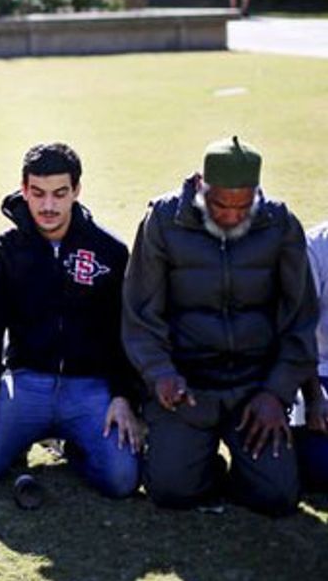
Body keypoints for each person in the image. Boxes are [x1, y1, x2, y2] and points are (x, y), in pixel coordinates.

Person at [124, 136, 318, 517]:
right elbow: (141, 313)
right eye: (220, 205)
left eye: (243, 207)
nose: (231, 217)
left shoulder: (280, 224)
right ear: (201, 184)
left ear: (257, 193)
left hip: (253, 388)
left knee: (277, 498)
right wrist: (160, 374)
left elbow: (300, 321)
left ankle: (250, 470)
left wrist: (276, 393)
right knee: (171, 491)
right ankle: (199, 463)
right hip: (187, 387)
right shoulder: (162, 221)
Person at [0, 143, 141, 498]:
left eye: (60, 193)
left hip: (89, 387)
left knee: (122, 480)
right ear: (24, 190)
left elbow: (123, 331)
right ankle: (16, 439)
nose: (48, 206)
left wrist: (123, 395)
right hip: (26, 382)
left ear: (76, 190)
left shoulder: (110, 252)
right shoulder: (1, 253)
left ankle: (73, 447)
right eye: (38, 193)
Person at [298, 223, 328, 493]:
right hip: (321, 374)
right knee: (321, 467)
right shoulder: (314, 247)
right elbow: (298, 333)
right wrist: (314, 397)